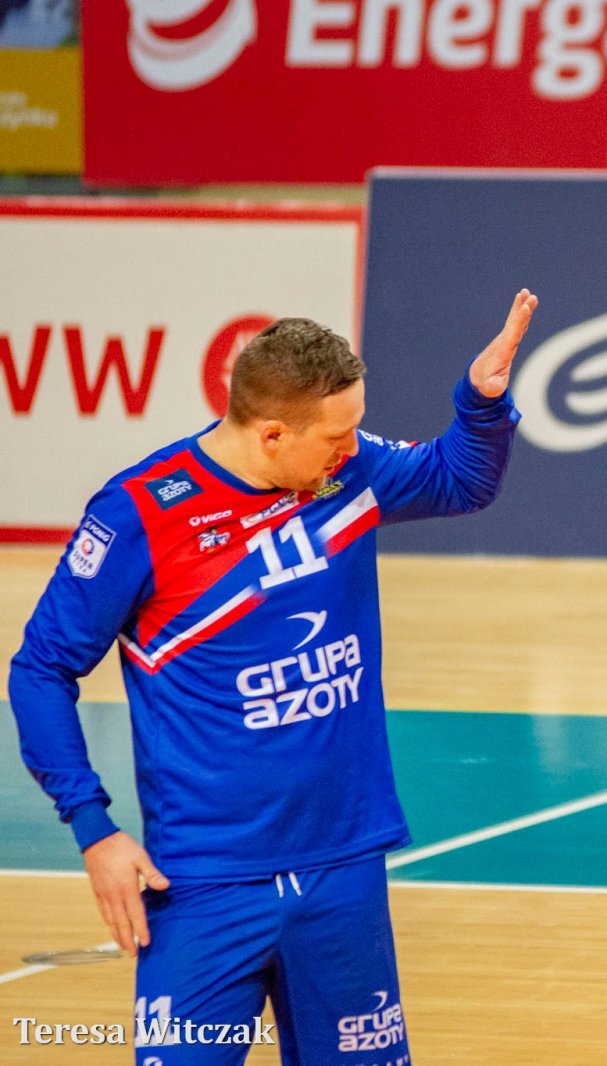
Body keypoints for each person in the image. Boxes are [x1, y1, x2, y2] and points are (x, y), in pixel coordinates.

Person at [8, 291, 537, 1063]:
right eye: (337, 434)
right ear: (273, 433)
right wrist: (94, 828)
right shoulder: (139, 515)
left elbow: (459, 481)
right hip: (203, 884)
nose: (352, 448)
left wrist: (481, 405)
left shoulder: (343, 473)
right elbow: (40, 670)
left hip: (344, 866)